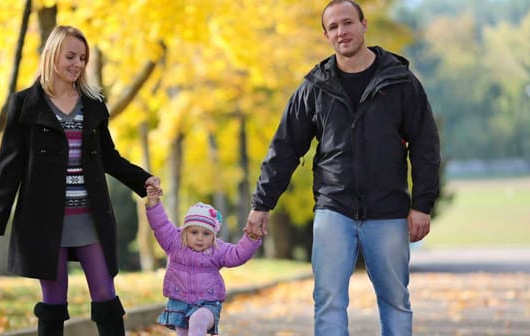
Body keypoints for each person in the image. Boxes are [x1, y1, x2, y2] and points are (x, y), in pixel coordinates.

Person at [245, 1, 441, 335]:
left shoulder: (400, 82)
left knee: (395, 301)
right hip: (333, 209)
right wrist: (262, 204)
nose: (341, 32)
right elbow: (285, 148)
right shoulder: (314, 87)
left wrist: (422, 205)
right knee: (328, 301)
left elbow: (425, 147)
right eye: (333, 27)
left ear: (364, 25)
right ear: (325, 35)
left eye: (348, 23)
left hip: (388, 210)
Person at [0, 25, 161, 336]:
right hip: (44, 219)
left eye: (82, 58)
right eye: (71, 56)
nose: (77, 64)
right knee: (53, 302)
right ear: (52, 55)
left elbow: (109, 157)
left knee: (106, 296)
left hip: (89, 217)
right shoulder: (25, 104)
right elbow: (10, 167)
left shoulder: (93, 103)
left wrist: (143, 180)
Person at [145, 185, 261, 335]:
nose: (200, 237)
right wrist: (154, 202)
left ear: (213, 235)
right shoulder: (174, 242)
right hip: (180, 304)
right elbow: (160, 225)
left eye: (206, 234)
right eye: (194, 232)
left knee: (197, 320)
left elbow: (238, 254)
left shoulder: (217, 249)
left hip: (207, 304)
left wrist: (251, 239)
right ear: (185, 230)